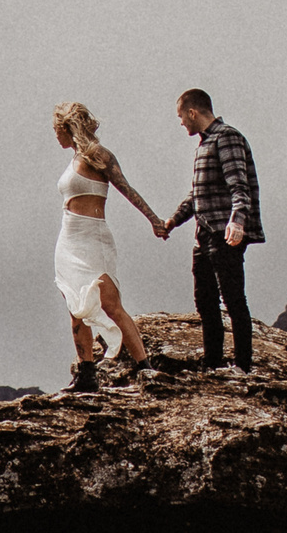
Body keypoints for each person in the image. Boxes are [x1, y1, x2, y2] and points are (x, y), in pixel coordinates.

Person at [51, 102, 162, 389]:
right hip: (69, 239)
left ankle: (145, 368)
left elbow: (126, 188)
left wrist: (154, 219)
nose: (55, 136)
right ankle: (87, 374)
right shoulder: (73, 158)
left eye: (55, 129)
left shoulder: (97, 155)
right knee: (75, 305)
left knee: (111, 303)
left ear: (66, 127)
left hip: (94, 237)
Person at [151, 89, 263, 371]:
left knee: (234, 299)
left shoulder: (227, 137)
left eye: (181, 117)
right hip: (204, 235)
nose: (181, 124)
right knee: (205, 300)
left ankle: (242, 366)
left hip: (224, 232)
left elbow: (240, 185)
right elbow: (197, 195)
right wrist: (172, 221)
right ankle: (213, 362)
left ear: (192, 112)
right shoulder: (203, 145)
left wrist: (237, 222)